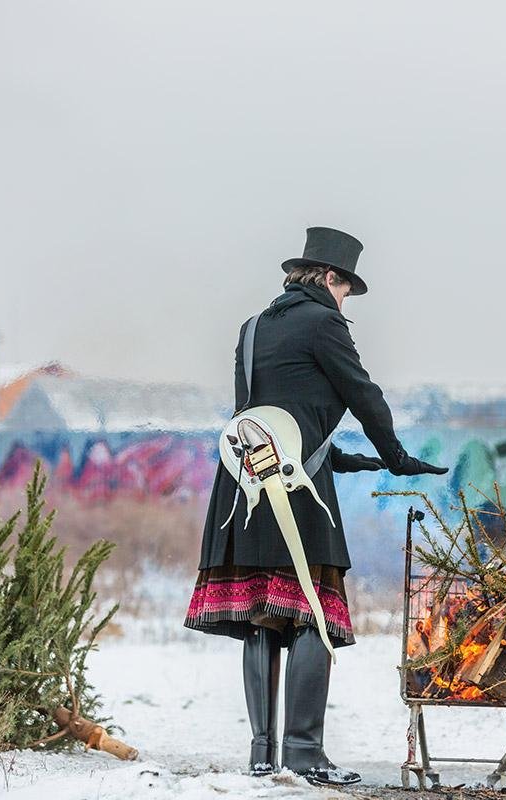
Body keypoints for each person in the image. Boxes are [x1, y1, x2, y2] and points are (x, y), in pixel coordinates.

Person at [184, 226, 447, 786]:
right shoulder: (325, 321)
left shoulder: (252, 328)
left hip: (245, 479)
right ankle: (304, 752)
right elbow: (363, 392)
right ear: (329, 278)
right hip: (297, 490)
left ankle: (263, 753)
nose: (346, 299)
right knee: (310, 608)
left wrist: (348, 460)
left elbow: (258, 416)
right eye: (346, 288)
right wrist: (394, 454)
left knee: (261, 609)